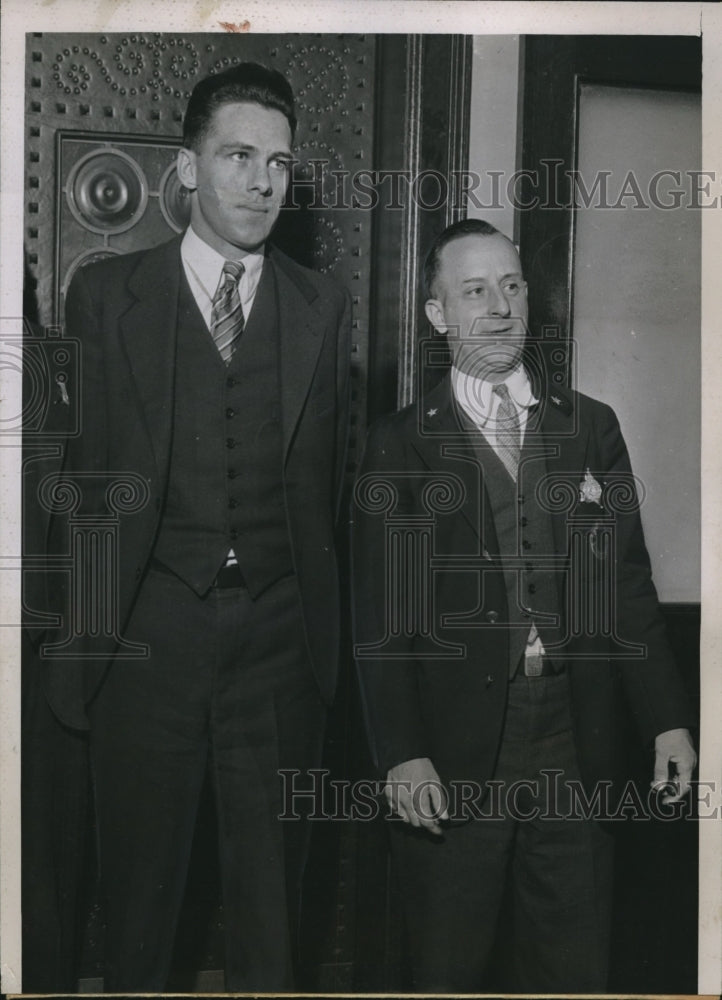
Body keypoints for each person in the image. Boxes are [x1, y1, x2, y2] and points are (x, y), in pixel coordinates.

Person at [45, 62, 351, 992]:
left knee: (272, 919)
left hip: (278, 649)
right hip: (146, 641)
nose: (262, 182)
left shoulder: (322, 305)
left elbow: (333, 487)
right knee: (140, 914)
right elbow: (84, 485)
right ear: (187, 167)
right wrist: (80, 654)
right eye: (238, 157)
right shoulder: (106, 296)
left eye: (280, 163)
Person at [352, 218, 695, 993]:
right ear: (438, 314)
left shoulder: (589, 426)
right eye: (474, 291)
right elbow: (382, 618)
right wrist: (402, 753)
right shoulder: (398, 444)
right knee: (447, 964)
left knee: (574, 966)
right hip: (456, 743)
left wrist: (669, 719)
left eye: (511, 286)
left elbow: (626, 588)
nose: (499, 306)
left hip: (579, 737)